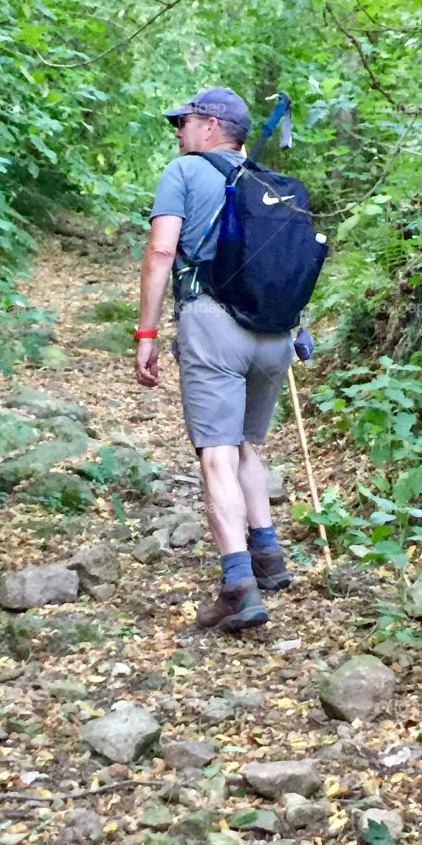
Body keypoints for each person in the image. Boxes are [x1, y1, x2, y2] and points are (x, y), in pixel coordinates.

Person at [134, 87, 295, 632]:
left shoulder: (183, 173)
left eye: (182, 123)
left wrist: (147, 332)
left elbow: (160, 251)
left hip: (213, 327)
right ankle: (269, 554)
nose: (177, 133)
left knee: (217, 455)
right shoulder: (269, 183)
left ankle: (238, 586)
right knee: (246, 443)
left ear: (209, 125)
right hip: (275, 335)